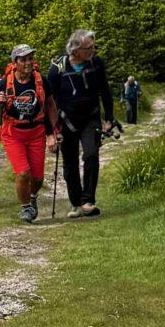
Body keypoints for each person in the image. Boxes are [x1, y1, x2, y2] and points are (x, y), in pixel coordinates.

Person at [48, 27, 117, 220]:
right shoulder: (57, 68)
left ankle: (88, 201)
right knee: (70, 163)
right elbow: (50, 101)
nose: (92, 51)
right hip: (66, 120)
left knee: (91, 155)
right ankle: (76, 203)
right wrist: (51, 130)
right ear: (75, 49)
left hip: (91, 118)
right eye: (88, 48)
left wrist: (109, 118)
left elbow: (105, 91)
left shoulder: (96, 63)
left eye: (93, 47)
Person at [0, 43, 51, 223]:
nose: (28, 62)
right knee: (22, 173)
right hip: (13, 133)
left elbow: (50, 106)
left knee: (38, 178)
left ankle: (32, 197)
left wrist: (52, 133)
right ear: (15, 63)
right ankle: (26, 207)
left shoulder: (41, 81)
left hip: (36, 132)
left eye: (30, 58)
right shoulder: (4, 83)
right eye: (23, 59)